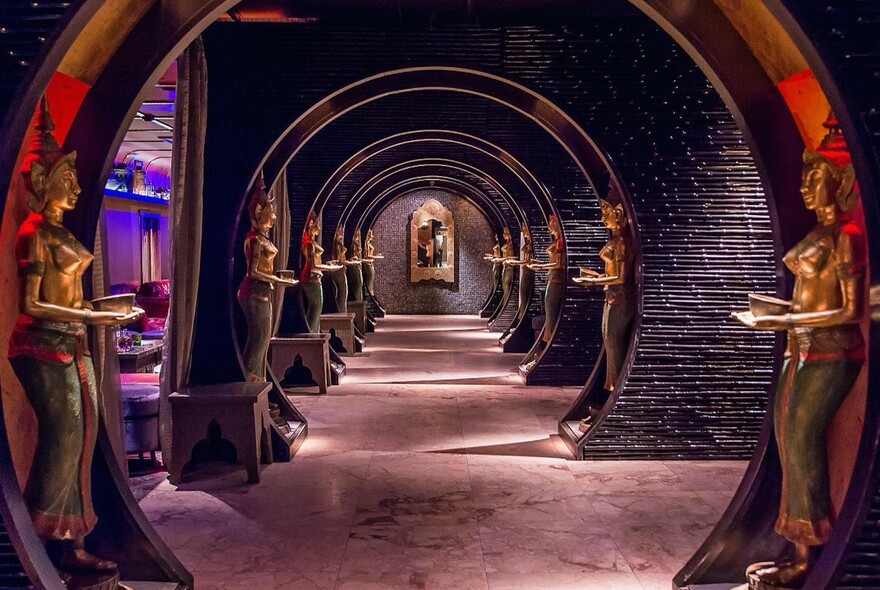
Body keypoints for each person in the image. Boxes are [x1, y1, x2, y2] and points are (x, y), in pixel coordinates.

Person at [8, 97, 143, 572]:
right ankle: (32, 542)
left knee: (83, 439)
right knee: (61, 438)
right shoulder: (34, 234)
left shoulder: (59, 234)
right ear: (43, 182)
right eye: (68, 179)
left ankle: (70, 541)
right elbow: (29, 304)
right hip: (43, 344)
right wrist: (90, 317)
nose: (77, 187)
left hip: (72, 340)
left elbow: (69, 297)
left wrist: (95, 312)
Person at [733, 119, 864, 588]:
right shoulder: (820, 234)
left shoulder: (846, 237)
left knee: (804, 445)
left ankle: (807, 556)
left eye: (815, 177)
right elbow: (814, 299)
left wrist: (786, 320)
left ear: (841, 181)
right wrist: (782, 313)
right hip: (800, 349)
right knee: (789, 446)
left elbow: (850, 310)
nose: (806, 187)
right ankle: (797, 547)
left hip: (831, 354)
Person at [236, 178, 298, 382]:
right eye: (270, 213)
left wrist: (275, 279)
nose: (273, 217)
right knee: (258, 341)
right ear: (258, 214)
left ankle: (260, 387)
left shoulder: (263, 238)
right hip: (253, 292)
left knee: (263, 341)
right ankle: (250, 386)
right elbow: (252, 272)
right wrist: (278, 281)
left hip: (263, 292)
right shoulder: (254, 240)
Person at [574, 197, 635, 392]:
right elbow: (612, 274)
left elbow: (620, 277)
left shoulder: (623, 242)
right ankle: (611, 386)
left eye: (605, 213)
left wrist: (592, 281)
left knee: (613, 339)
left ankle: (616, 387)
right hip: (610, 295)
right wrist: (597, 276)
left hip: (620, 297)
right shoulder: (615, 241)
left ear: (618, 214)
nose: (602, 217)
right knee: (608, 338)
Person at [521, 215, 566, 370]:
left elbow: (559, 264)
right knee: (549, 314)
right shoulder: (556, 242)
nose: (549, 227)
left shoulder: (560, 243)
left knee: (552, 316)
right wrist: (541, 264)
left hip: (556, 281)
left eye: (551, 224)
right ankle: (545, 349)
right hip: (551, 279)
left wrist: (541, 267)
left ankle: (549, 350)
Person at [300, 214, 342, 333]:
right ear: (310, 225)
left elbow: (317, 263)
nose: (319, 228)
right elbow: (313, 265)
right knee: (316, 307)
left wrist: (329, 265)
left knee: (317, 308)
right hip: (310, 278)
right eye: (317, 226)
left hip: (315, 278)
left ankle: (314, 333)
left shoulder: (311, 242)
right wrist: (329, 268)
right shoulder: (308, 243)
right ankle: (311, 333)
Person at [347, 229, 365, 302]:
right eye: (357, 234)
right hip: (354, 267)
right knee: (357, 285)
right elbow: (351, 257)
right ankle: (357, 302)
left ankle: (359, 301)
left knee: (360, 284)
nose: (358, 236)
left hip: (357, 267)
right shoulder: (352, 245)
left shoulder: (355, 244)